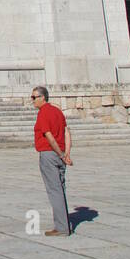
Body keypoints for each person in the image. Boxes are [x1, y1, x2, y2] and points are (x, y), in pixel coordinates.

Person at [31, 86, 73, 236]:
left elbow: (48, 135)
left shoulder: (44, 113)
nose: (32, 101)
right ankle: (64, 224)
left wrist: (61, 154)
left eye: (34, 97)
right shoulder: (57, 111)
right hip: (60, 155)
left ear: (43, 97)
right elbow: (67, 132)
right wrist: (66, 154)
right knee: (60, 190)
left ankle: (62, 228)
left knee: (54, 191)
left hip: (50, 155)